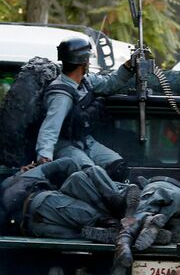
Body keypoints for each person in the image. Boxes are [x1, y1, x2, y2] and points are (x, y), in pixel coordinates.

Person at [35, 37, 135, 181]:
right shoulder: (61, 95)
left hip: (85, 141)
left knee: (118, 168)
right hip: (64, 146)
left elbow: (110, 83)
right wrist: (44, 158)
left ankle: (119, 193)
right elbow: (50, 129)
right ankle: (115, 197)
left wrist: (129, 66)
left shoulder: (86, 81)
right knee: (90, 174)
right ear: (83, 62)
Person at [0, 158, 139, 239]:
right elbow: (68, 162)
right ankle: (117, 218)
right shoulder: (29, 175)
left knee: (85, 232)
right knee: (84, 179)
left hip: (36, 228)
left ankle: (113, 228)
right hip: (42, 205)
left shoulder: (8, 187)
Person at [110, 177, 180, 275]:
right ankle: (152, 226)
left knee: (139, 216)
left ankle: (123, 245)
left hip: (158, 189)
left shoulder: (152, 185)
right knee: (165, 216)